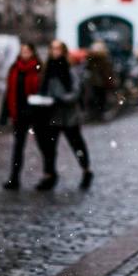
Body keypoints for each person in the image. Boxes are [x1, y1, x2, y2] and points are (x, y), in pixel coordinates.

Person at [36, 40, 94, 191]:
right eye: (52, 49)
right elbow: (44, 88)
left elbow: (75, 92)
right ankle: (49, 175)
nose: (54, 52)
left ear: (63, 51)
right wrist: (44, 100)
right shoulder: (48, 69)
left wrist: (61, 99)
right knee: (49, 147)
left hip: (69, 114)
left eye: (57, 49)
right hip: (52, 113)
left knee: (76, 144)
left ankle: (86, 170)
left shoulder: (70, 69)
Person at [1, 42, 45, 190]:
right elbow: (9, 91)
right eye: (22, 50)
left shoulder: (38, 68)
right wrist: (5, 112)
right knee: (18, 147)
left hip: (35, 113)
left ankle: (48, 175)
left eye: (27, 50)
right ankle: (14, 179)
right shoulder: (15, 68)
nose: (24, 53)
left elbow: (42, 90)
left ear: (32, 52)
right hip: (18, 113)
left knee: (43, 145)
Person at [85, 41, 115, 121]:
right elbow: (108, 71)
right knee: (100, 98)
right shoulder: (102, 60)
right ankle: (99, 113)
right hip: (100, 82)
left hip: (98, 82)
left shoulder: (94, 60)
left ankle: (98, 113)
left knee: (99, 98)